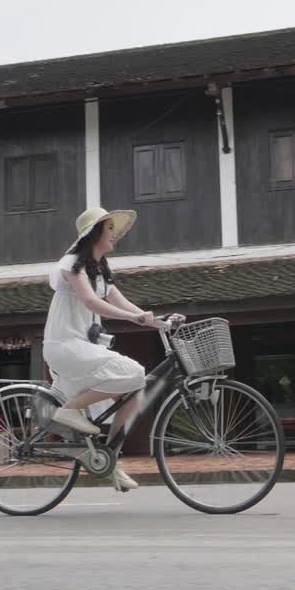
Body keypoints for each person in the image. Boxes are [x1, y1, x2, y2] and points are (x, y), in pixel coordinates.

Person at [42, 207, 183, 492]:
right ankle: (67, 411)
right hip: (64, 346)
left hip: (82, 348)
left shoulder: (100, 272)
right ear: (94, 234)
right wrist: (133, 319)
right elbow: (91, 302)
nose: (114, 236)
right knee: (135, 372)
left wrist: (159, 323)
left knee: (133, 392)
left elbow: (127, 305)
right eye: (109, 230)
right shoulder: (72, 264)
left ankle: (110, 464)